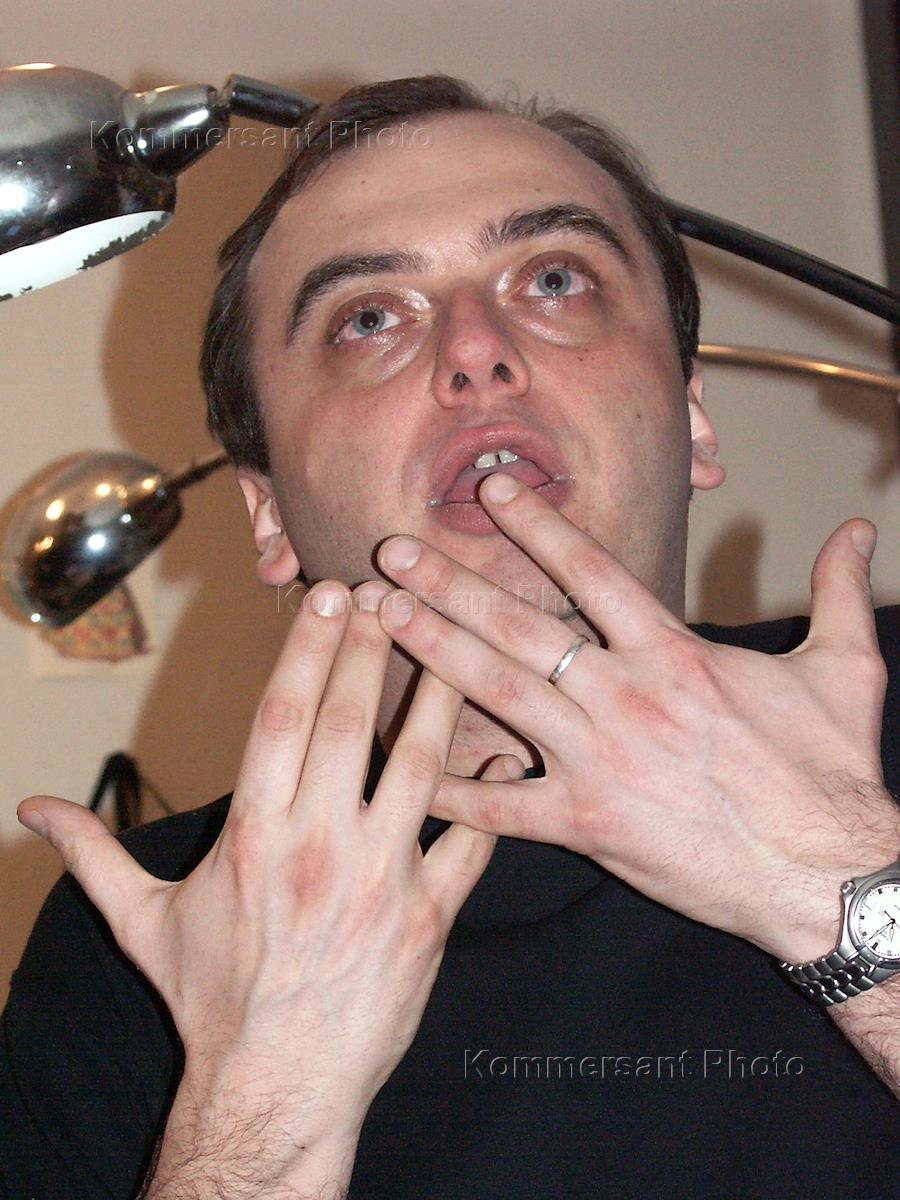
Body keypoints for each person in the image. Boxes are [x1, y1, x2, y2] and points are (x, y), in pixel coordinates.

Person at [2, 75, 898, 1199]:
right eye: (369, 317)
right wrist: (263, 1093)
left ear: (692, 415)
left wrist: (834, 874)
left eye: (555, 279)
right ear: (268, 514)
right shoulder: (148, 931)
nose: (475, 350)